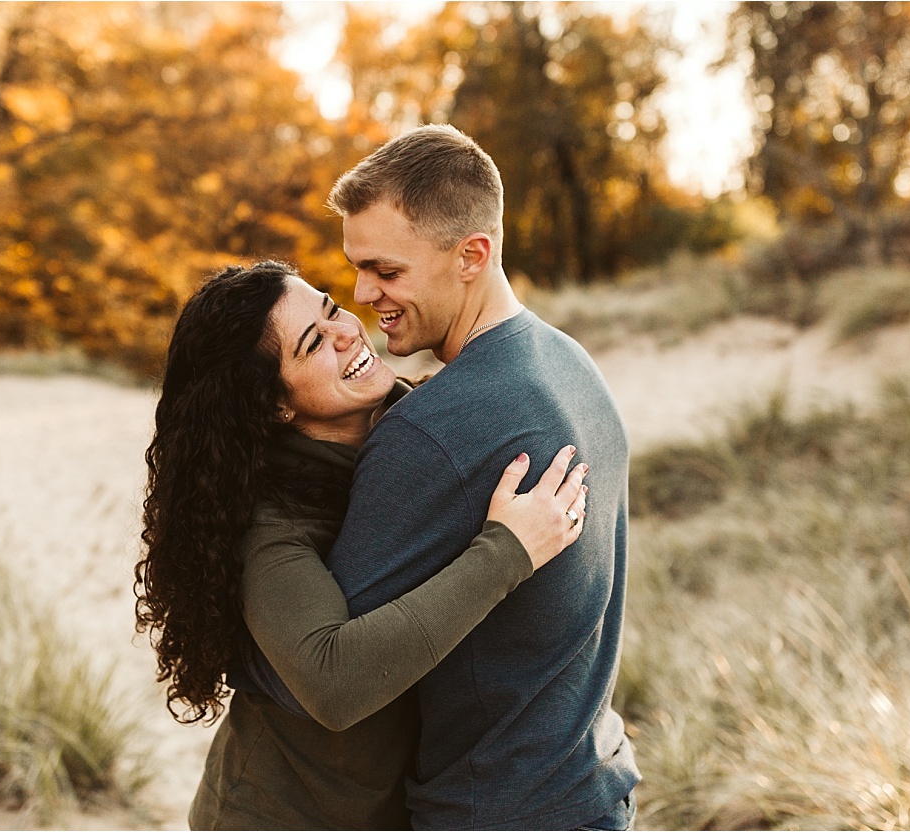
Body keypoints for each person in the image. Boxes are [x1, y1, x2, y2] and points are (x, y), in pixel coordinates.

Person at [137, 260, 590, 829]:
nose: (348, 331)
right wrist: (507, 551)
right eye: (314, 343)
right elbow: (333, 682)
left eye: (331, 310)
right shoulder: (270, 522)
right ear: (274, 404)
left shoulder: (414, 424)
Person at [321, 124, 639, 829]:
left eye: (386, 270)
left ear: (472, 254)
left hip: (494, 809)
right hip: (592, 786)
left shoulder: (439, 427)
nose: (361, 292)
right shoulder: (569, 363)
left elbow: (329, 666)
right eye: (357, 266)